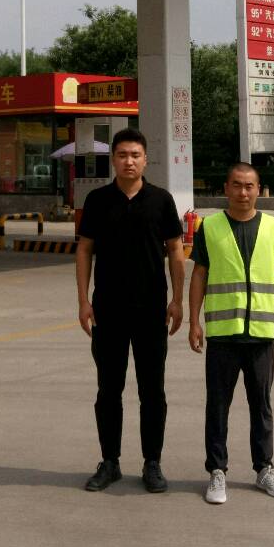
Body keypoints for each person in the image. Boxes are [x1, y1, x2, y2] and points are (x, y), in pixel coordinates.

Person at [75, 128, 185, 493]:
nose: (129, 161)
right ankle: (110, 462)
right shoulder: (98, 200)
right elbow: (84, 250)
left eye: (135, 155)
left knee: (152, 390)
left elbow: (176, 251)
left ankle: (152, 462)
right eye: (122, 155)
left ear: (145, 160)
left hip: (151, 310)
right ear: (113, 160)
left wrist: (177, 300)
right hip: (108, 309)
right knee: (109, 389)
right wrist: (83, 301)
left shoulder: (161, 200)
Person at [188, 162, 274, 504]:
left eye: (249, 186)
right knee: (218, 405)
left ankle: (264, 468)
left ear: (258, 190)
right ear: (226, 188)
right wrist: (194, 321)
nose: (243, 192)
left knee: (261, 405)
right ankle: (217, 471)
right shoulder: (210, 226)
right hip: (223, 335)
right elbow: (199, 275)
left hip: (261, 334)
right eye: (237, 185)